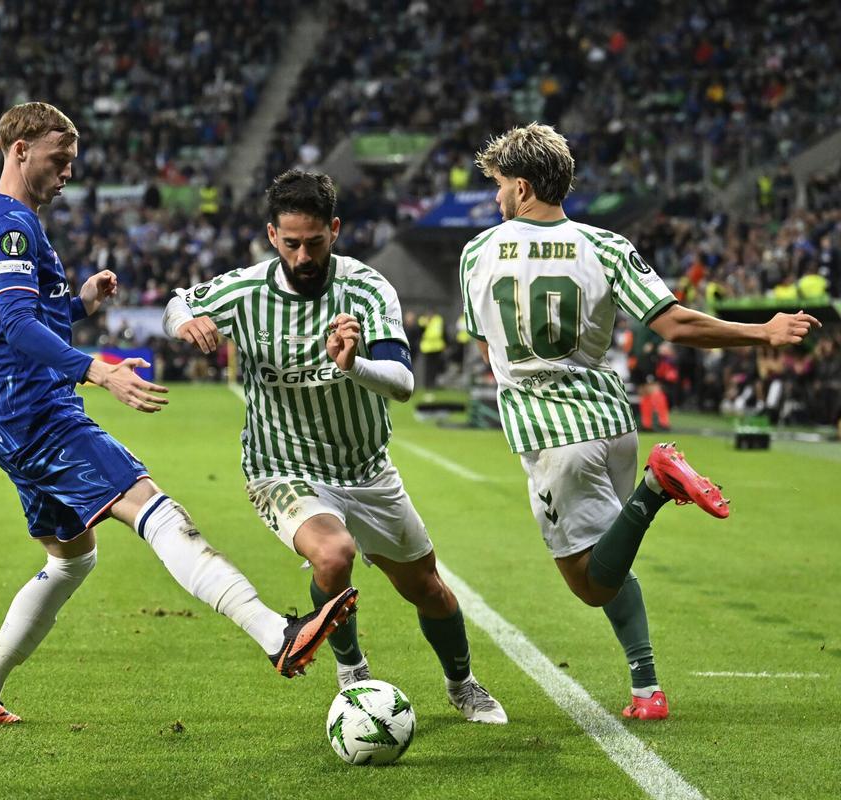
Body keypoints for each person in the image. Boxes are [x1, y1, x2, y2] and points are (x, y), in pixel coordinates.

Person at [0, 102, 356, 727]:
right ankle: (276, 634)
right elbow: (16, 324)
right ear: (20, 148)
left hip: (7, 413)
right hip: (39, 412)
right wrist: (99, 368)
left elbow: (19, 319)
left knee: (71, 559)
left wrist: (78, 303)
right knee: (156, 510)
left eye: (73, 164)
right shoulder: (12, 226)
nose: (67, 174)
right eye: (59, 161)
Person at [460, 122, 821, 720]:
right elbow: (676, 324)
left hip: (552, 435)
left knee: (589, 582)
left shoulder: (479, 251)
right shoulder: (606, 246)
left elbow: (484, 349)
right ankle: (646, 689)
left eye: (500, 186)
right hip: (611, 419)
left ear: (522, 188)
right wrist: (763, 331)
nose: (496, 198)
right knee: (611, 554)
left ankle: (658, 485)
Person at [163, 169, 508, 724]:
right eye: (291, 243)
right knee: (333, 553)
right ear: (273, 236)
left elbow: (402, 382)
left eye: (315, 243)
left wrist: (354, 364)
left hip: (367, 470)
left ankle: (461, 683)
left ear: (336, 230)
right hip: (282, 467)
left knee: (429, 589)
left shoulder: (367, 288)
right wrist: (188, 322)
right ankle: (352, 669)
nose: (303, 256)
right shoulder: (247, 290)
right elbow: (179, 301)